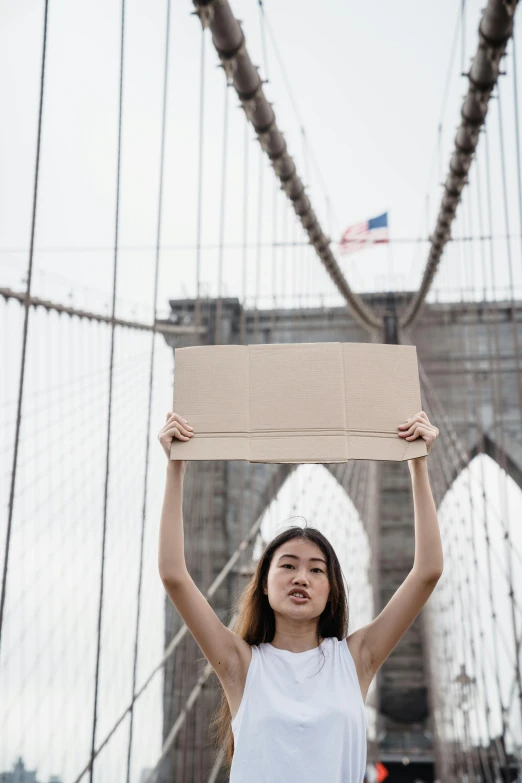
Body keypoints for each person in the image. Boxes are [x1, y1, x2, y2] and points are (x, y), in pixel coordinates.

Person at [157, 410, 442, 783]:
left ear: (331, 590)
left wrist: (418, 464)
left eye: (316, 570)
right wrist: (175, 467)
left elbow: (427, 572)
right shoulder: (240, 666)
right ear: (263, 582)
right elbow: (174, 575)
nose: (301, 578)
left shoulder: (356, 660)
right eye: (288, 566)